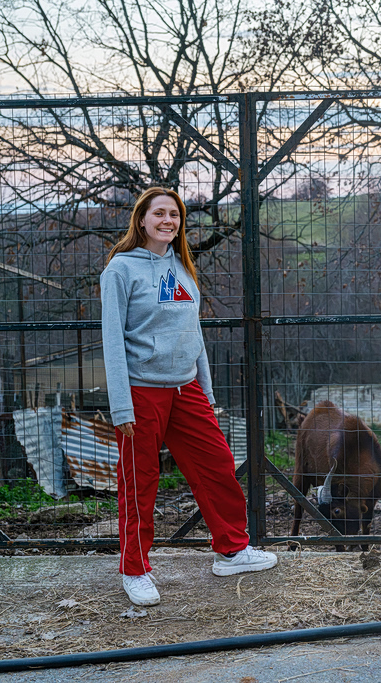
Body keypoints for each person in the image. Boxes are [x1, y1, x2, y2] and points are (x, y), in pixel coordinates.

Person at [101, 187, 278, 606]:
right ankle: (136, 569)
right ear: (141, 220)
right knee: (139, 482)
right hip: (142, 393)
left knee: (217, 464)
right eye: (159, 213)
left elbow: (193, 334)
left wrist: (207, 391)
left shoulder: (182, 268)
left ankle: (232, 551)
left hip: (187, 390)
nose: (168, 221)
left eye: (175, 215)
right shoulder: (120, 270)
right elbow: (111, 342)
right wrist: (121, 405)